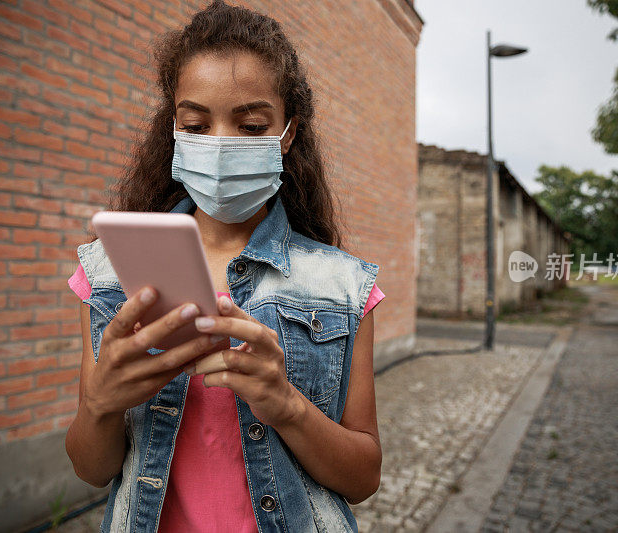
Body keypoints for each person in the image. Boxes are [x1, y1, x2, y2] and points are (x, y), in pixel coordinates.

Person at [64, 1, 385, 531]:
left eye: (252, 125)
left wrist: (285, 404)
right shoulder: (105, 274)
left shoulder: (345, 288)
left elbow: (364, 477)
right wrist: (99, 405)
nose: (219, 145)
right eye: (195, 122)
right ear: (174, 128)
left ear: (288, 132)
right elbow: (90, 469)